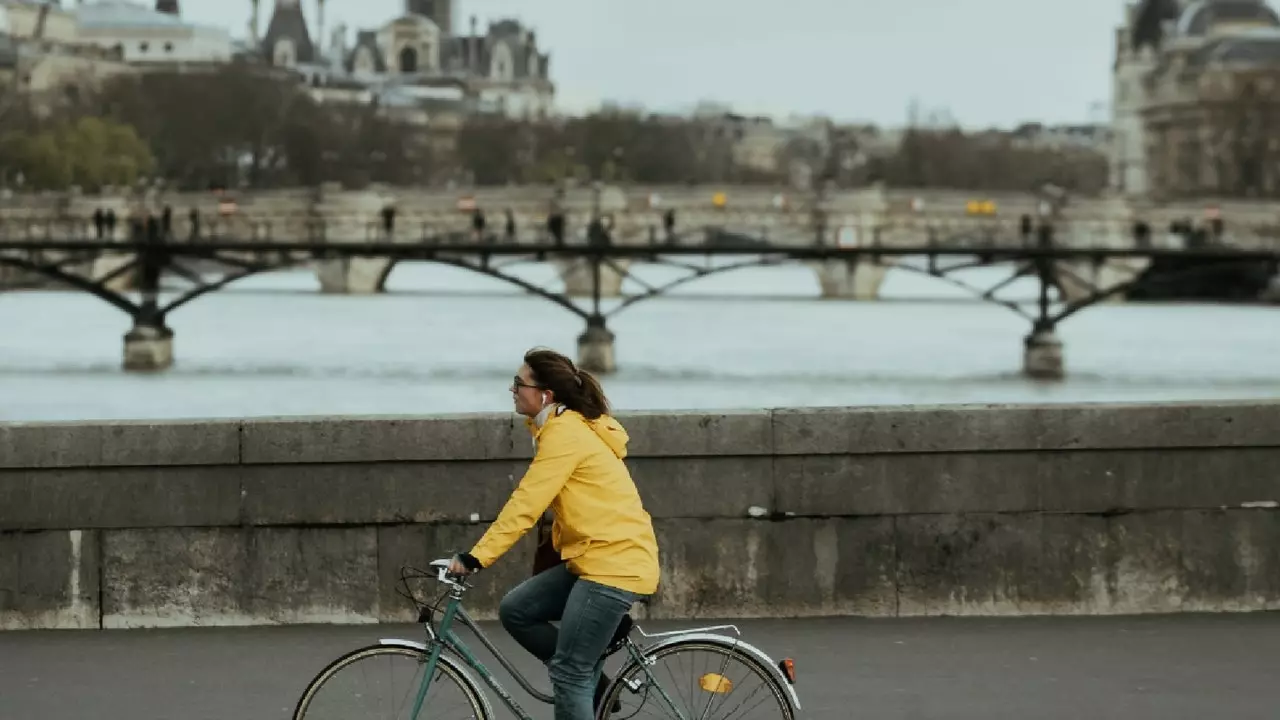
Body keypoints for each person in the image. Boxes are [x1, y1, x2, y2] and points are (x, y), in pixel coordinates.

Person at [448, 347, 660, 720]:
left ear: (545, 394)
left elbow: (525, 505)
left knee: (568, 672)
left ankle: (582, 672)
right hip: (593, 556)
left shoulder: (565, 434)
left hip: (613, 564)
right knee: (518, 610)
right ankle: (593, 678)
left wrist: (475, 557)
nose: (512, 389)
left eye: (519, 383)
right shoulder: (556, 428)